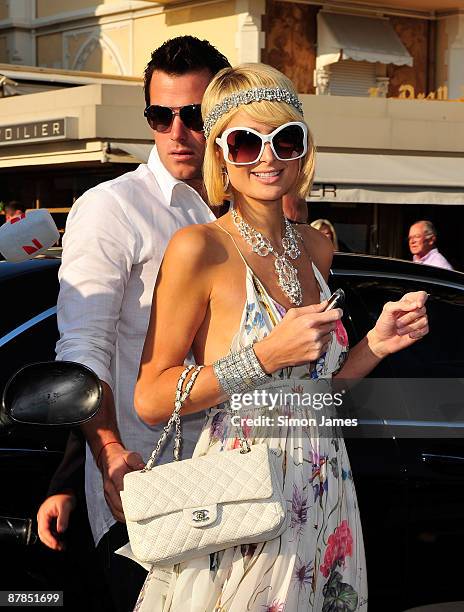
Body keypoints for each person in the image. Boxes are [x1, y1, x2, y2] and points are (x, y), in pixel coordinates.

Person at [132, 63, 429, 611]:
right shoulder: (200, 249)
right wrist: (264, 356)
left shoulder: (317, 249)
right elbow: (151, 397)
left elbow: (315, 394)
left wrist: (375, 346)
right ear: (221, 152)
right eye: (246, 142)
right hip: (243, 494)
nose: (267, 158)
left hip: (324, 485)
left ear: (302, 149)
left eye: (284, 139)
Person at [55, 36, 230, 612]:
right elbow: (84, 347)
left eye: (194, 115)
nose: (177, 132)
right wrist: (106, 451)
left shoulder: (235, 210)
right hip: (144, 486)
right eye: (161, 115)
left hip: (236, 481)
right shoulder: (113, 206)